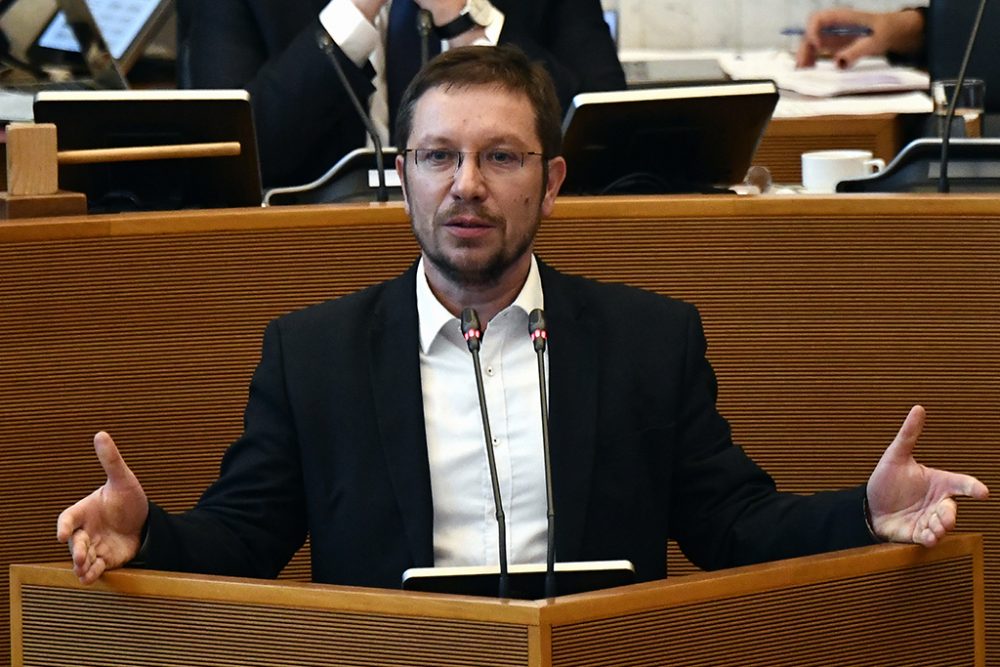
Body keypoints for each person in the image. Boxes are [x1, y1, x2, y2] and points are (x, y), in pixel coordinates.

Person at [58, 45, 988, 589]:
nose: (465, 186)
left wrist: (861, 515)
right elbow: (246, 537)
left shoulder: (647, 341)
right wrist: (152, 535)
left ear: (551, 182)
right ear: (403, 177)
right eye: (438, 157)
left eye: (500, 157)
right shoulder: (315, 355)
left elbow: (731, 523)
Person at [177, 0, 625, 188]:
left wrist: (465, 22)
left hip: (501, 241)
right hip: (310, 246)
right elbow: (228, 158)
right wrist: (352, 16)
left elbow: (607, 142)